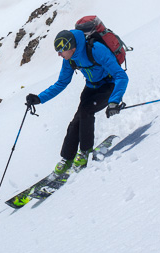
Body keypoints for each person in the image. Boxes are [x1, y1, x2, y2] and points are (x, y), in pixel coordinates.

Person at [26, 29, 128, 174]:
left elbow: (121, 76)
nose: (59, 54)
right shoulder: (70, 59)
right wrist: (40, 98)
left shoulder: (96, 50)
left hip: (109, 86)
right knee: (76, 120)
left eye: (61, 50)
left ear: (71, 47)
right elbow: (61, 82)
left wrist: (114, 101)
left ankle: (85, 152)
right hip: (91, 87)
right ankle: (67, 158)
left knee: (86, 111)